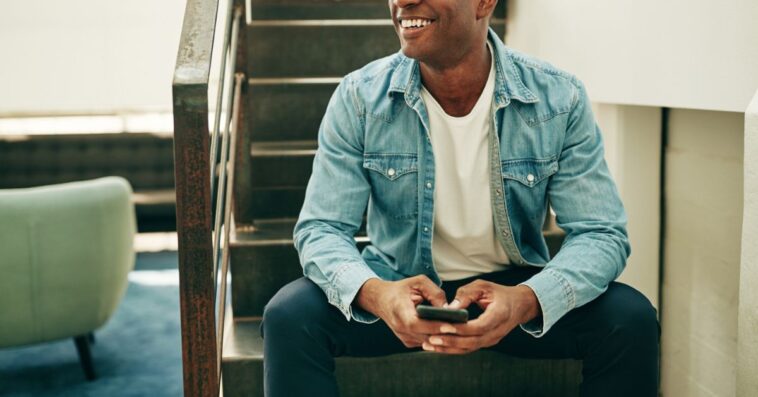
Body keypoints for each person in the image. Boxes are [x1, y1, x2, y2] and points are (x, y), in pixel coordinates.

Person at [261, 0, 659, 396]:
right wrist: (377, 294)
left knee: (631, 319)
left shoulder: (557, 97)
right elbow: (321, 228)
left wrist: (527, 299)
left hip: (512, 290)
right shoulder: (360, 98)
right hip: (398, 284)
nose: (402, 1)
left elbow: (601, 233)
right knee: (289, 316)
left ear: (485, 3)